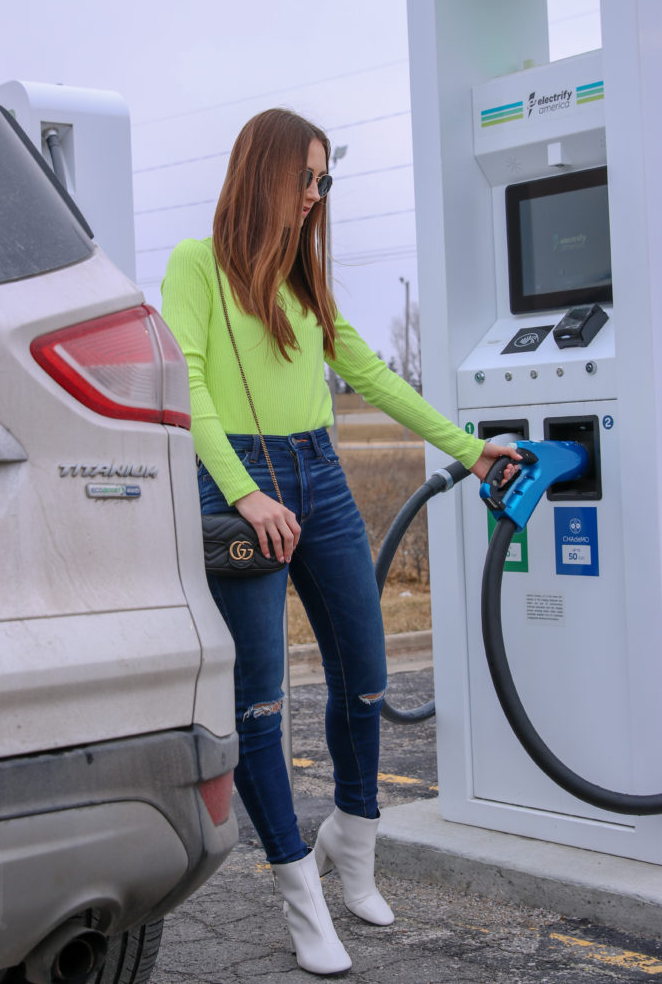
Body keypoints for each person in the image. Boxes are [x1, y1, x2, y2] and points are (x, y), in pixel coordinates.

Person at [161, 108, 520, 976]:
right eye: (308, 178)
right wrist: (245, 495)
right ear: (266, 173)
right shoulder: (196, 265)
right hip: (239, 484)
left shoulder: (303, 277)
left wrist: (471, 451)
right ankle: (298, 889)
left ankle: (353, 841)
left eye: (327, 181)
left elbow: (370, 374)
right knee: (259, 701)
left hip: (319, 475)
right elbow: (190, 387)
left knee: (365, 674)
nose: (318, 195)